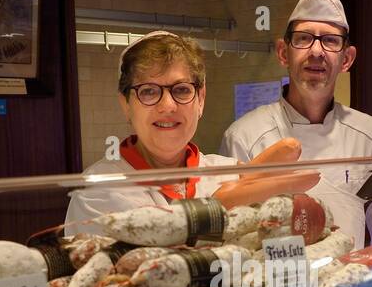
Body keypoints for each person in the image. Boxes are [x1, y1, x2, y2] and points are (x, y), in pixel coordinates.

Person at [64, 31, 309, 233]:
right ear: (126, 105)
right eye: (149, 91)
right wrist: (217, 206)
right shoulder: (98, 191)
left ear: (200, 100)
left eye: (181, 90)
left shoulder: (229, 173)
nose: (168, 106)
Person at [220, 0, 372, 249]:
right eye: (304, 39)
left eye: (330, 41)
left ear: (347, 58)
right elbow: (232, 229)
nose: (316, 51)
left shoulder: (369, 132)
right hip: (274, 283)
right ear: (283, 53)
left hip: (352, 282)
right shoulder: (244, 135)